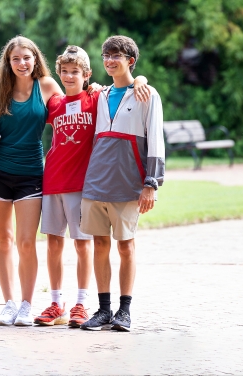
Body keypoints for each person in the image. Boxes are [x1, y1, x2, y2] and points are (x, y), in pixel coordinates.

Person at [0, 46, 149, 328]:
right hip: (51, 181)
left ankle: (81, 303)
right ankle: (56, 302)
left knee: (83, 244)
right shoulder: (55, 103)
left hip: (81, 184)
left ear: (87, 74)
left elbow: (122, 86)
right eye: (64, 71)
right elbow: (27, 102)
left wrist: (140, 79)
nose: (69, 76)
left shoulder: (96, 97)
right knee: (53, 243)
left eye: (76, 72)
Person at [0, 36, 63, 326]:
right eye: (15, 59)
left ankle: (25, 305)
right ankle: (8, 303)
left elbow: (76, 103)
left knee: (25, 243)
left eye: (27, 57)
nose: (22, 63)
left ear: (36, 59)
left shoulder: (46, 86)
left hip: (32, 174)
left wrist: (94, 87)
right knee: (2, 240)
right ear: (7, 62)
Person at [79, 35, 164, 332]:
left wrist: (151, 183)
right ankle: (103, 310)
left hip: (128, 183)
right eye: (106, 55)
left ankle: (124, 311)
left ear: (130, 60)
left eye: (116, 55)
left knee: (126, 246)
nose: (109, 60)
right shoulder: (98, 95)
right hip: (95, 183)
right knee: (99, 244)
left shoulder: (147, 94)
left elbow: (155, 140)